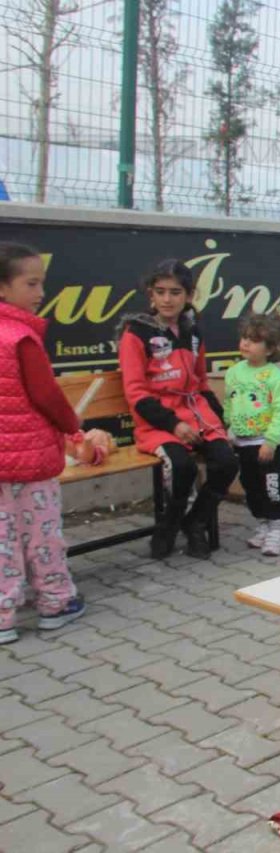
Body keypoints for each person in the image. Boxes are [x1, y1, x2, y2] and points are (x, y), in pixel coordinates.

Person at [119, 260, 238, 559]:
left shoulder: (192, 331)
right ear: (151, 295)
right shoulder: (136, 332)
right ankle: (168, 527)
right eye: (160, 292)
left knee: (226, 462)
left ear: (189, 295)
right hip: (157, 423)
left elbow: (201, 384)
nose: (167, 299)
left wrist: (223, 423)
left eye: (175, 292)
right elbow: (136, 393)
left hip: (196, 417)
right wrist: (173, 425)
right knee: (182, 467)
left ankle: (194, 523)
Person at [0, 243, 86, 644]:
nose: (40, 293)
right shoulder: (21, 338)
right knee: (42, 533)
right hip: (31, 462)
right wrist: (72, 425)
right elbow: (47, 396)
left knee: (2, 538)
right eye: (31, 283)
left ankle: (4, 613)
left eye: (41, 283)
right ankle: (55, 601)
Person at [225, 312, 280, 557]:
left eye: (253, 340)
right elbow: (229, 403)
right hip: (243, 443)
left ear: (270, 348)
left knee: (272, 486)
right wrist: (229, 428)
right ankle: (263, 523)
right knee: (251, 485)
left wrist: (271, 441)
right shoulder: (233, 373)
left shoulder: (277, 378)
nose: (245, 343)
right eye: (244, 337)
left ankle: (277, 527)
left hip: (269, 445)